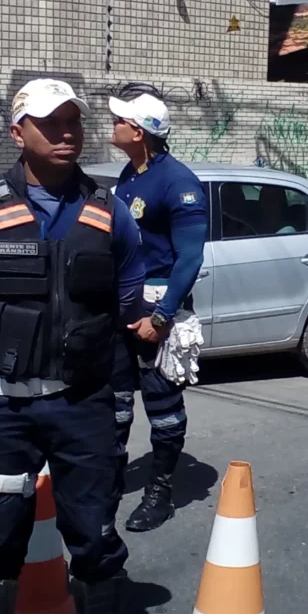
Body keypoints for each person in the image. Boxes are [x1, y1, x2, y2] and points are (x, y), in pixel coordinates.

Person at [0, 79, 145, 614]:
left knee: (95, 539)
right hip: (4, 406)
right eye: (50, 123)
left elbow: (129, 306)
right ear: (18, 132)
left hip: (84, 404)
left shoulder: (110, 211)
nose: (65, 133)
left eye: (72, 121)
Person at [107, 93, 208, 532]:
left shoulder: (177, 182)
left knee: (163, 407)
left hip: (157, 316)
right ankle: (109, 481)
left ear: (140, 131)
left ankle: (159, 493)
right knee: (113, 404)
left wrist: (161, 319)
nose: (112, 123)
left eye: (120, 119)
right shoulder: (131, 175)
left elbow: (189, 259)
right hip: (120, 311)